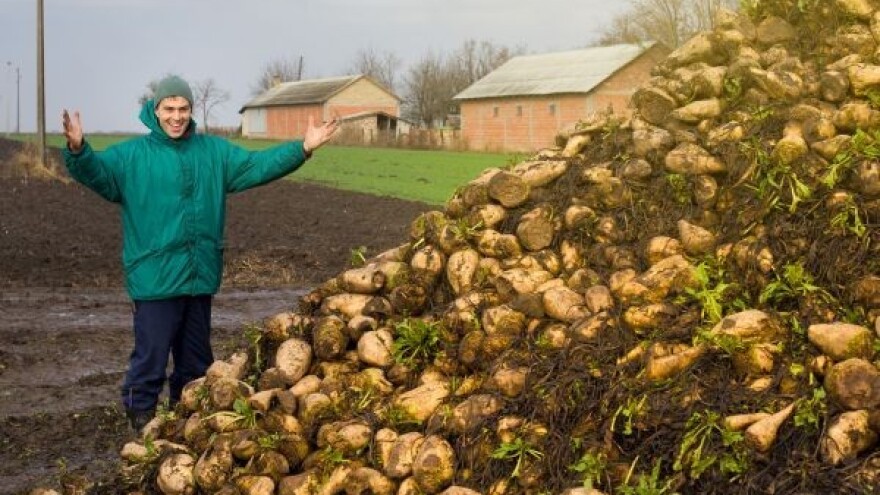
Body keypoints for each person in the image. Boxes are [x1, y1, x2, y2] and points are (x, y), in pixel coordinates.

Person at [61, 74, 339, 432]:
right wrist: (78, 150)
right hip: (155, 278)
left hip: (198, 275)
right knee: (151, 357)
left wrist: (302, 147)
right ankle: (140, 418)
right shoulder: (132, 157)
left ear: (191, 111)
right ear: (155, 110)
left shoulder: (213, 152)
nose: (176, 116)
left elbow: (256, 166)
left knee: (195, 362)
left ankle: (185, 424)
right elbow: (98, 174)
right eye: (169, 109)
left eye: (183, 108)